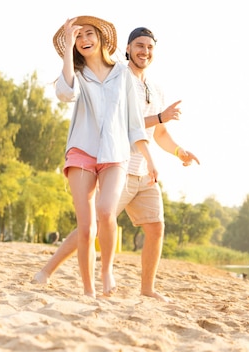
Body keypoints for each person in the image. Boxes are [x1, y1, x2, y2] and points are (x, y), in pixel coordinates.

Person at [36, 26, 199, 302]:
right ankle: (48, 270)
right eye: (139, 46)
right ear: (126, 48)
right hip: (118, 160)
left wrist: (179, 152)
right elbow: (120, 123)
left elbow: (157, 132)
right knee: (93, 224)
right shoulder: (115, 75)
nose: (144, 51)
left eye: (149, 47)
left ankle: (147, 287)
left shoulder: (154, 88)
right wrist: (160, 116)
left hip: (143, 170)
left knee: (156, 226)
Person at [50, 16, 154, 298]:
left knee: (107, 211)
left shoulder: (123, 73)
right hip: (82, 152)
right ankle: (88, 289)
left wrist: (150, 160)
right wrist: (67, 54)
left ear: (101, 38)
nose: (84, 40)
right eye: (78, 37)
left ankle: (107, 268)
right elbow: (64, 93)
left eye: (89, 34)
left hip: (115, 153)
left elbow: (135, 123)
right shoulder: (77, 74)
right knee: (86, 227)